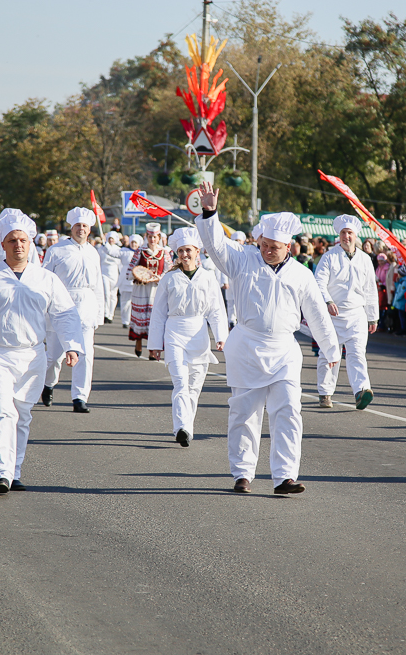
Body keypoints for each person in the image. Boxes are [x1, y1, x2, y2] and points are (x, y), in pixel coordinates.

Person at [195, 182, 339, 494]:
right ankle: (242, 473)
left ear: (289, 247)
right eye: (263, 244)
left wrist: (330, 349)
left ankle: (284, 477)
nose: (267, 250)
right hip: (246, 346)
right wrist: (210, 213)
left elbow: (316, 313)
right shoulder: (242, 259)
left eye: (274, 246)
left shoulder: (301, 274)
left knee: (288, 411)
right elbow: (217, 245)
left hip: (284, 352)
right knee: (245, 414)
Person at [0, 209, 83, 494]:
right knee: (1, 410)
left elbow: (64, 314)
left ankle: (14, 471)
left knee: (22, 414)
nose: (18, 245)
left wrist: (72, 346)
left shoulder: (45, 278)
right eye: (12, 240)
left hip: (32, 355)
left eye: (23, 240)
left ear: (31, 243)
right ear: (2, 244)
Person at [147, 227, 228, 446]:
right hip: (174, 333)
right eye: (181, 250)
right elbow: (159, 314)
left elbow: (217, 310)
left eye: (188, 250)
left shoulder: (208, 278)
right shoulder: (169, 278)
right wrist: (155, 343)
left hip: (199, 335)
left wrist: (221, 336)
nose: (184, 255)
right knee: (181, 383)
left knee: (194, 387)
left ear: (197, 251)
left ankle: (186, 428)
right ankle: (182, 427)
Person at [41, 207, 105, 413]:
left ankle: (79, 397)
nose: (81, 229)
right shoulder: (56, 250)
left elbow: (98, 286)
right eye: (78, 225)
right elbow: (44, 281)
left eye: (85, 226)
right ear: (71, 227)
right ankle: (48, 384)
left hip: (86, 305)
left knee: (85, 354)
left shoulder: (93, 252)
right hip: (60, 305)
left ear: (89, 229)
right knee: (54, 356)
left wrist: (99, 313)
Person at [314, 215, 379, 410]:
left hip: (357, 314)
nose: (346, 236)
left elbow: (370, 289)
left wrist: (372, 316)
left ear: (355, 235)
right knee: (329, 354)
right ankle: (325, 393)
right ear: (339, 235)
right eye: (343, 233)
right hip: (333, 315)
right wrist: (328, 300)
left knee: (357, 353)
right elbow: (319, 282)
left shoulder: (366, 259)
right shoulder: (329, 257)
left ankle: (361, 391)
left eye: (350, 233)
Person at [127, 222, 169, 358]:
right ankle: (138, 340)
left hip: (157, 290)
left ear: (159, 237)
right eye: (150, 237)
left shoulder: (164, 252)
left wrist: (159, 278)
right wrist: (137, 276)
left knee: (155, 318)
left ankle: (153, 348)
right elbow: (130, 270)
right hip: (141, 290)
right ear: (147, 237)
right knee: (141, 317)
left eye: (155, 237)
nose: (152, 240)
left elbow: (170, 270)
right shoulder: (140, 251)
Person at [99, 230, 122, 323]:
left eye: (112, 238)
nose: (111, 240)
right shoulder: (102, 248)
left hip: (114, 273)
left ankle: (111, 315)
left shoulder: (118, 249)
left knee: (113, 295)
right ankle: (105, 313)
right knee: (106, 294)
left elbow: (120, 263)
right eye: (109, 238)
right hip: (104, 272)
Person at [118, 234, 140, 328]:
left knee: (136, 303)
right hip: (125, 280)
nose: (134, 244)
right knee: (125, 302)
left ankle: (133, 321)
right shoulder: (124, 251)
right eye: (132, 242)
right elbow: (113, 252)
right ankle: (125, 321)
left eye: (135, 242)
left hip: (137, 280)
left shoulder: (141, 253)